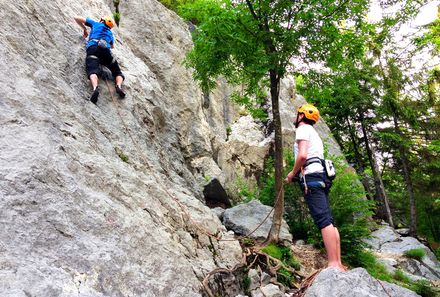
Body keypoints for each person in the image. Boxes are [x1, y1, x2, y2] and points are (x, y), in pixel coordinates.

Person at [285, 104, 345, 272]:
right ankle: (338, 262)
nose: (295, 117)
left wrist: (292, 173)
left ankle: (333, 263)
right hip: (321, 176)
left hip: (311, 178)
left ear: (302, 116)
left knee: (323, 220)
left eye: (297, 114)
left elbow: (303, 155)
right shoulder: (315, 134)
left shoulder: (303, 129)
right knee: (329, 220)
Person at [74, 15, 126, 104]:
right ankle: (118, 86)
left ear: (102, 20)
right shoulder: (110, 33)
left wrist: (84, 29)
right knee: (117, 72)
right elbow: (112, 46)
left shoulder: (96, 24)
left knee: (92, 70)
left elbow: (76, 18)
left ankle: (95, 88)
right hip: (106, 52)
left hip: (93, 48)